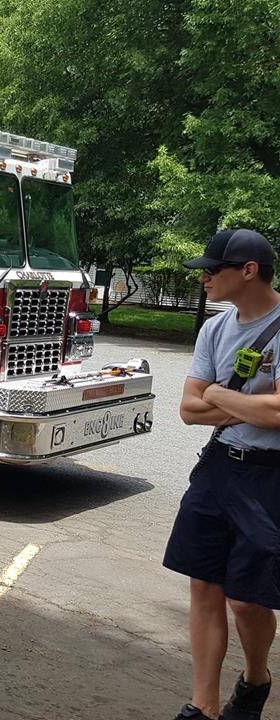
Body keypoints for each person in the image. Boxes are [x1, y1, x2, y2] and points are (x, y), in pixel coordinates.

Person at [167, 228, 280, 720]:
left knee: (246, 599)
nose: (204, 278)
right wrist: (249, 405)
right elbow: (188, 409)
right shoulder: (215, 329)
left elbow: (278, 415)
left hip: (269, 477)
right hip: (217, 468)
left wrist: (217, 394)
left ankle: (256, 678)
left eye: (213, 270)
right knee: (205, 584)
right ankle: (204, 706)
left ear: (249, 270)